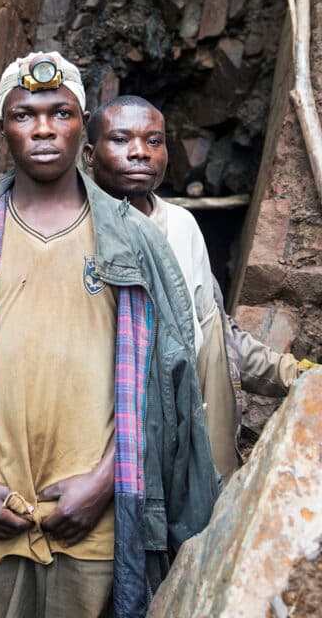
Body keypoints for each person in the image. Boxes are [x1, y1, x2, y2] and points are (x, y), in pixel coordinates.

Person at [0, 52, 219, 618]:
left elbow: (169, 389)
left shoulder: (135, 241)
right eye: (24, 115)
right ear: (1, 127)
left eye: (60, 112)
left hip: (99, 527)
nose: (43, 128)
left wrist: (108, 478)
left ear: (81, 123)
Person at [83, 94, 320, 476]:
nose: (140, 152)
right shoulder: (74, 233)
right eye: (122, 140)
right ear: (90, 154)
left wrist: (296, 374)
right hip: (100, 444)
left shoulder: (181, 226)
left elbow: (213, 335)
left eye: (153, 141)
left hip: (181, 437)